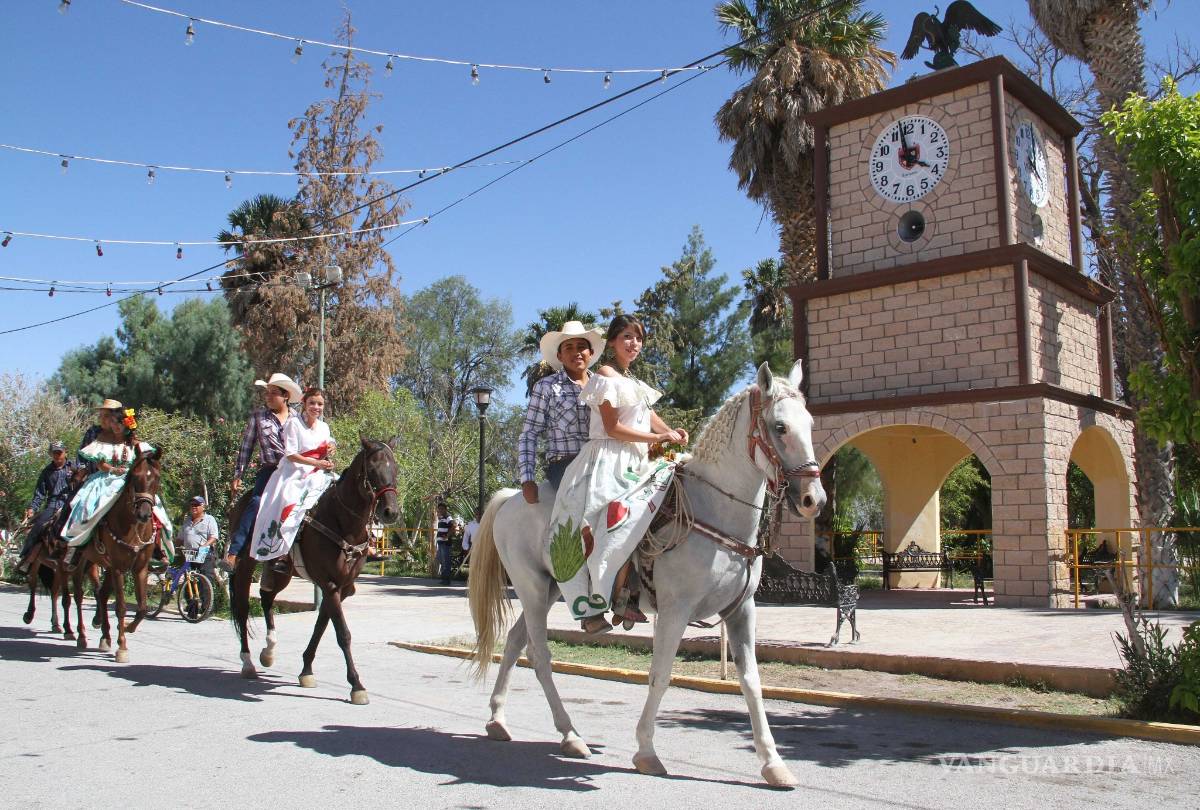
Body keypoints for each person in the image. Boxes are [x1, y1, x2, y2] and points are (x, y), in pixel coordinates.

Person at [547, 315, 689, 635]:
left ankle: (634, 588)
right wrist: (658, 440)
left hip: (635, 456)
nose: (633, 344)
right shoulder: (605, 375)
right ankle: (606, 599)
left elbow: (648, 416)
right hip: (608, 458)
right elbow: (612, 428)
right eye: (626, 336)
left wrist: (672, 433)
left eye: (638, 338)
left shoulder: (634, 383)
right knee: (616, 521)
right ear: (611, 342)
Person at [62, 400, 174, 560]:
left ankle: (157, 546)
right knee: (89, 505)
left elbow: (148, 463)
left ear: (126, 425)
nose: (114, 426)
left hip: (131, 481)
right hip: (106, 480)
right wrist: (113, 469)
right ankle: (79, 545)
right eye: (112, 422)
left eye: (118, 423)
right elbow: (100, 464)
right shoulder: (101, 439)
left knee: (154, 505)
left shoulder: (138, 445)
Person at [249, 386, 337, 584]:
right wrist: (316, 463)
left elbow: (326, 448)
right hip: (294, 472)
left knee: (341, 491)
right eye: (312, 403)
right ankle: (281, 552)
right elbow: (290, 454)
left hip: (318, 472)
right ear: (304, 404)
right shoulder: (293, 423)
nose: (316, 407)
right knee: (290, 499)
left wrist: (329, 454)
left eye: (320, 404)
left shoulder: (324, 427)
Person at [517, 320, 605, 503]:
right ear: (560, 355)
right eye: (569, 348)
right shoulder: (547, 387)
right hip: (565, 465)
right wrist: (527, 479)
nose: (576, 352)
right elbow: (529, 433)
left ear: (591, 353)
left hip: (601, 462)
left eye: (581, 347)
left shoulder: (602, 385)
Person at [221, 373, 301, 573]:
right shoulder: (258, 416)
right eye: (267, 393)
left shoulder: (297, 418)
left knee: (307, 502)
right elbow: (247, 447)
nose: (268, 396)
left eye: (273, 393)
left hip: (293, 470)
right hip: (270, 469)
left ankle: (293, 552)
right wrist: (238, 475)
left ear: (285, 396)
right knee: (256, 501)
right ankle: (234, 553)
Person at [17, 441, 76, 573]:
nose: (57, 456)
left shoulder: (74, 467)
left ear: (65, 452)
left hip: (72, 504)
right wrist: (33, 508)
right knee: (38, 527)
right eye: (54, 453)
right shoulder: (46, 472)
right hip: (53, 504)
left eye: (59, 452)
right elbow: (40, 493)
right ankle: (26, 559)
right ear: (51, 454)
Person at [179, 495, 219, 579]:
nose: (193, 507)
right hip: (189, 554)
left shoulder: (209, 519)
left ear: (203, 507)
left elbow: (214, 537)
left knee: (204, 580)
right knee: (189, 580)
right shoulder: (186, 521)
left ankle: (205, 592)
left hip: (204, 553)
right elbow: (180, 538)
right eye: (192, 505)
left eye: (196, 505)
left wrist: (204, 546)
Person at [434, 502, 455, 585]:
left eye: (442, 509)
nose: (440, 510)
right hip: (440, 542)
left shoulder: (448, 517)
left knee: (446, 561)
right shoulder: (441, 517)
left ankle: (447, 580)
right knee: (440, 559)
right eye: (439, 509)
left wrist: (447, 536)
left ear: (445, 509)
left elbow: (453, 525)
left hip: (445, 543)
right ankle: (444, 578)